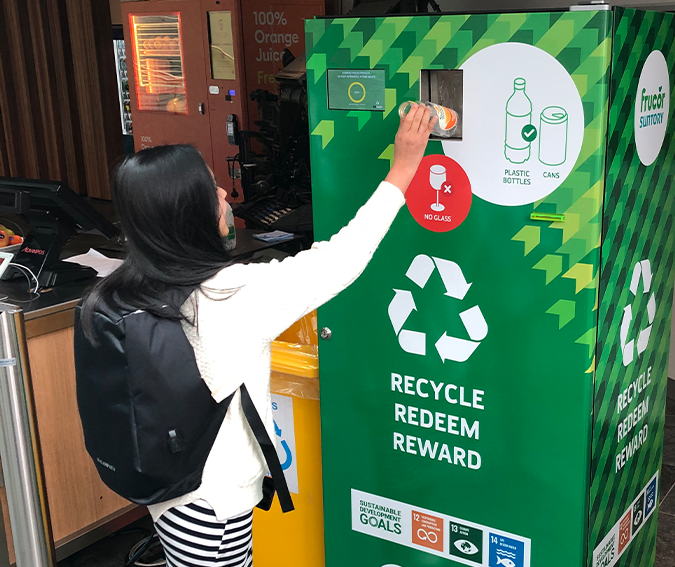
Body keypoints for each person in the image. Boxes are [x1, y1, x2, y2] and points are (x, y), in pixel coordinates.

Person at [79, 104, 436, 566]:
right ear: (189, 214)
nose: (226, 193)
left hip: (171, 493)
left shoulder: (130, 285)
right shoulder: (229, 298)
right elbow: (342, 258)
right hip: (215, 505)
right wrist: (404, 169)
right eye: (212, 190)